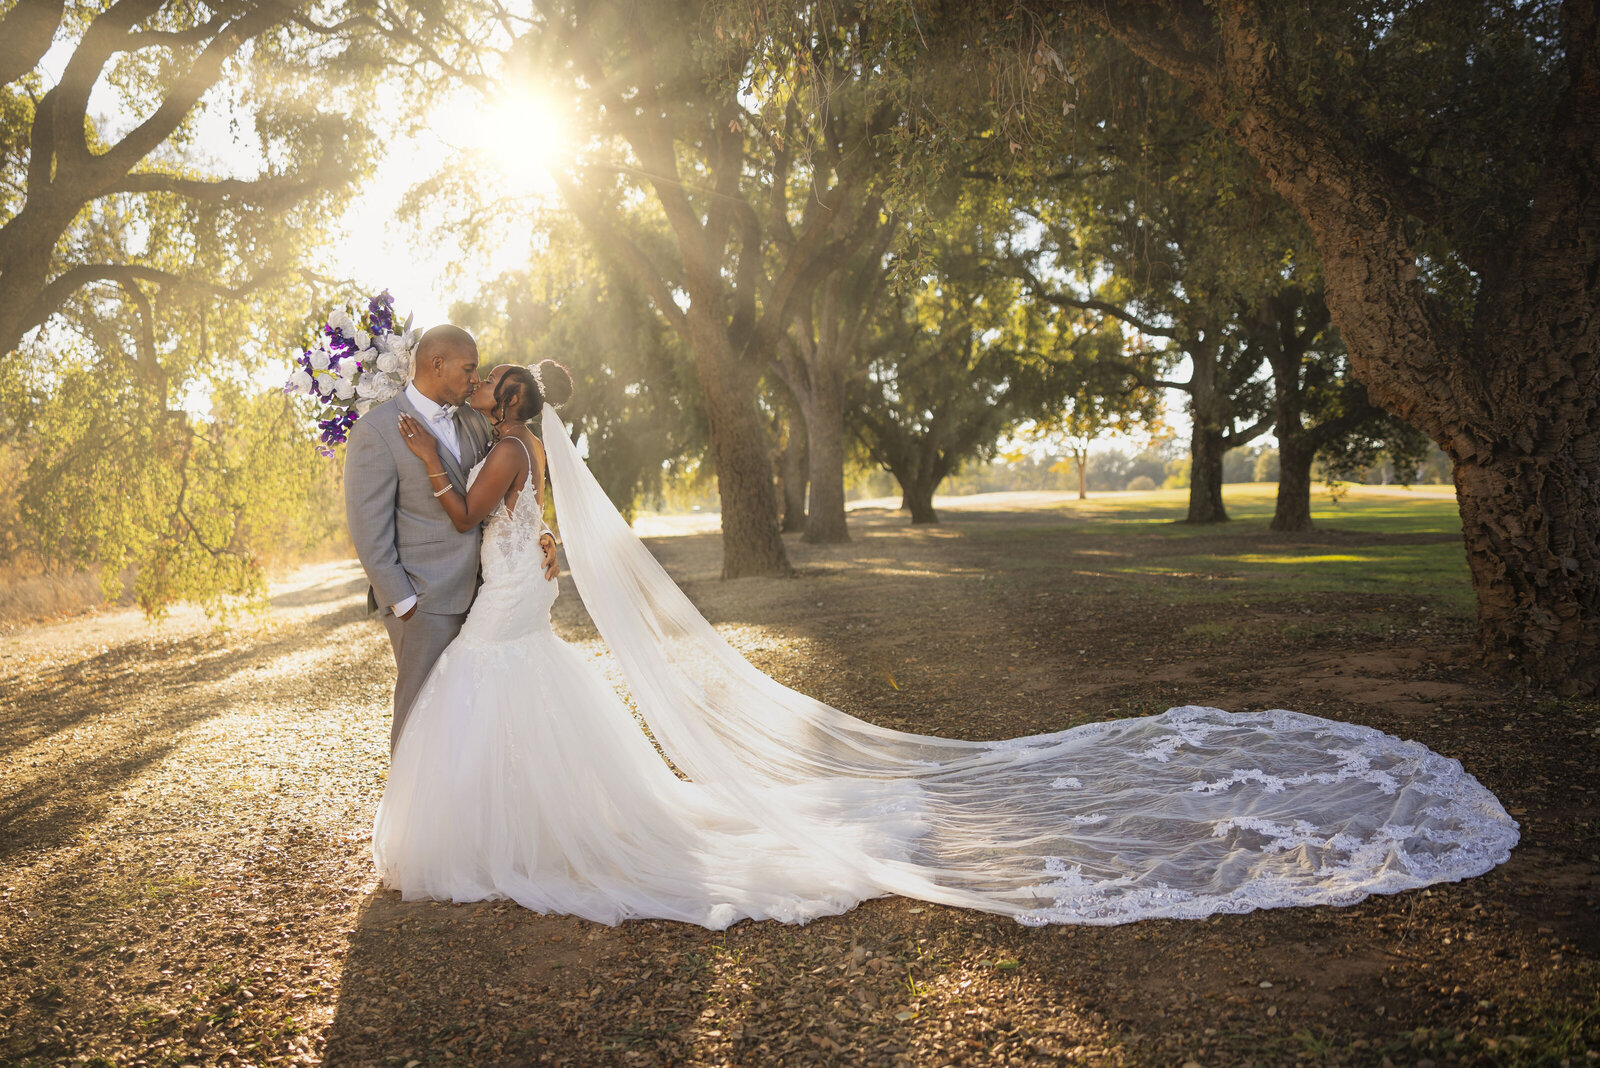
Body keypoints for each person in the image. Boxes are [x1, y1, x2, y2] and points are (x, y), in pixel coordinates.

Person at [372, 367, 1519, 930]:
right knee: (519, 694)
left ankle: (528, 830)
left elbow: (473, 514)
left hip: (511, 598)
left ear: (507, 403)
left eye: (478, 388)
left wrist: (430, 472)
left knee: (505, 693)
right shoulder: (525, 448)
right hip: (521, 598)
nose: (468, 395)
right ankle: (534, 818)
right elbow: (522, 531)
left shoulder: (505, 453)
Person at [344, 325, 557, 754]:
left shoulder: (476, 423)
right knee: (420, 714)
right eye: (469, 368)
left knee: (473, 717)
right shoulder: (377, 430)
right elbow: (368, 526)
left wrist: (542, 530)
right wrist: (402, 601)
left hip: (487, 595)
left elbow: (507, 493)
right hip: (424, 601)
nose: (475, 379)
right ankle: (412, 816)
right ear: (436, 364)